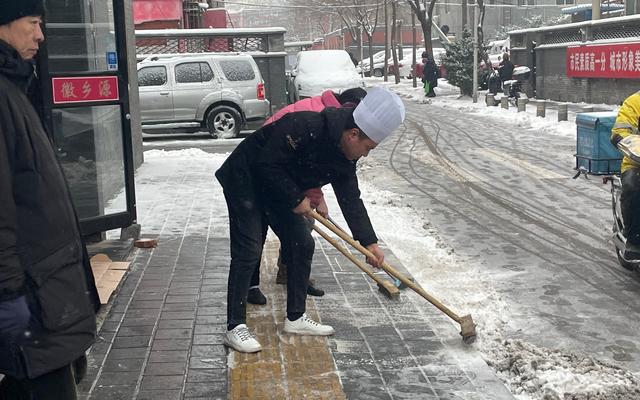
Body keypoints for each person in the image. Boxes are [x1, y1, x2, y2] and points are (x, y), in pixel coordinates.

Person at [216, 87, 405, 353]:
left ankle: (295, 317)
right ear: (353, 134)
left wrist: (369, 242)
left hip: (278, 185)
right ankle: (235, 326)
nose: (366, 154)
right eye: (368, 147)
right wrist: (296, 199)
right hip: (245, 177)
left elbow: (351, 199)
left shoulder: (345, 157)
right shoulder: (306, 125)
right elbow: (267, 163)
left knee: (302, 242)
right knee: (249, 248)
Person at [0, 1, 97, 398]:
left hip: (46, 290)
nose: (40, 35)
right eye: (33, 23)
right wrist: (9, 295)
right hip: (29, 294)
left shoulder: (13, 87)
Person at [246, 87, 368, 305]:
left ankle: (290, 273)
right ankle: (251, 284)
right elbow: (304, 160)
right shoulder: (324, 119)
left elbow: (316, 170)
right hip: (265, 158)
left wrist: (317, 198)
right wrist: (311, 197)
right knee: (258, 228)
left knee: (302, 223)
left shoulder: (337, 120)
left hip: (287, 165)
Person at [611, 91, 640, 261]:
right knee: (633, 186)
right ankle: (635, 238)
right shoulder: (635, 102)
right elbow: (620, 131)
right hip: (636, 162)